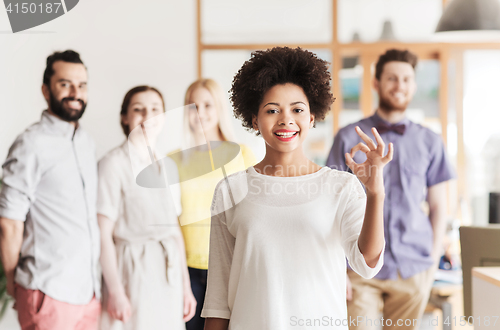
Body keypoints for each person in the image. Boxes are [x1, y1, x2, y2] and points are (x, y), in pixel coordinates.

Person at [202, 47, 392, 330]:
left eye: (297, 109)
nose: (285, 119)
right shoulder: (230, 190)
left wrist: (376, 193)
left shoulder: (341, 186)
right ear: (254, 119)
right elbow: (218, 297)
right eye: (272, 110)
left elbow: (367, 263)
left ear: (312, 118)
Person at [326, 49, 456, 330]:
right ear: (376, 83)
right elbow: (331, 207)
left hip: (413, 267)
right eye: (392, 78)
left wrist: (432, 261)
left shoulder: (430, 141)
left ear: (414, 84)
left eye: (407, 79)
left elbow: (438, 206)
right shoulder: (348, 137)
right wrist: (339, 270)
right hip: (359, 267)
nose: (400, 86)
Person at [0, 50, 101, 329]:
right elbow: (9, 223)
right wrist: (13, 281)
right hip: (47, 292)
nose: (75, 92)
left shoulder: (86, 142)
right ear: (46, 90)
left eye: (82, 85)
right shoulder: (30, 144)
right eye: (65, 84)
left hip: (88, 294)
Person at [97, 86, 196, 330]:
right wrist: (116, 292)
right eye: (138, 109)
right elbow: (102, 234)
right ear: (125, 117)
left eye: (155, 109)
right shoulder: (113, 165)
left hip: (168, 274)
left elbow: (174, 231)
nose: (147, 116)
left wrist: (186, 287)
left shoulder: (168, 166)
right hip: (131, 273)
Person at [168, 78, 256, 330]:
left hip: (233, 266)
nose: (200, 113)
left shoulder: (242, 154)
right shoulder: (174, 161)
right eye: (192, 106)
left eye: (207, 105)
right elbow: (172, 217)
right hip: (190, 270)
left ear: (219, 109)